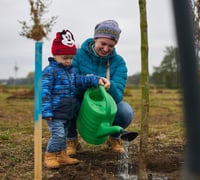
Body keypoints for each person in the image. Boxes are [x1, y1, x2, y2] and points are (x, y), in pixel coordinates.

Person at [42, 29, 110, 169]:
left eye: (71, 58)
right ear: (55, 55)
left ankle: (62, 156)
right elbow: (44, 92)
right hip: (54, 112)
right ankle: (49, 155)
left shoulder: (70, 71)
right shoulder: (50, 72)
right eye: (65, 58)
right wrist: (46, 111)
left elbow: (79, 80)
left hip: (66, 111)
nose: (68, 61)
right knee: (58, 135)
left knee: (65, 134)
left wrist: (94, 79)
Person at [66, 20, 134, 155]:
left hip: (104, 106)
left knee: (125, 111)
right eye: (103, 44)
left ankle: (113, 138)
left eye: (111, 46)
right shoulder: (77, 55)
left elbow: (118, 95)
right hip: (80, 102)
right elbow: (69, 84)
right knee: (67, 103)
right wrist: (89, 81)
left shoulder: (118, 62)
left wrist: (110, 86)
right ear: (95, 38)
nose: (106, 49)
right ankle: (71, 139)